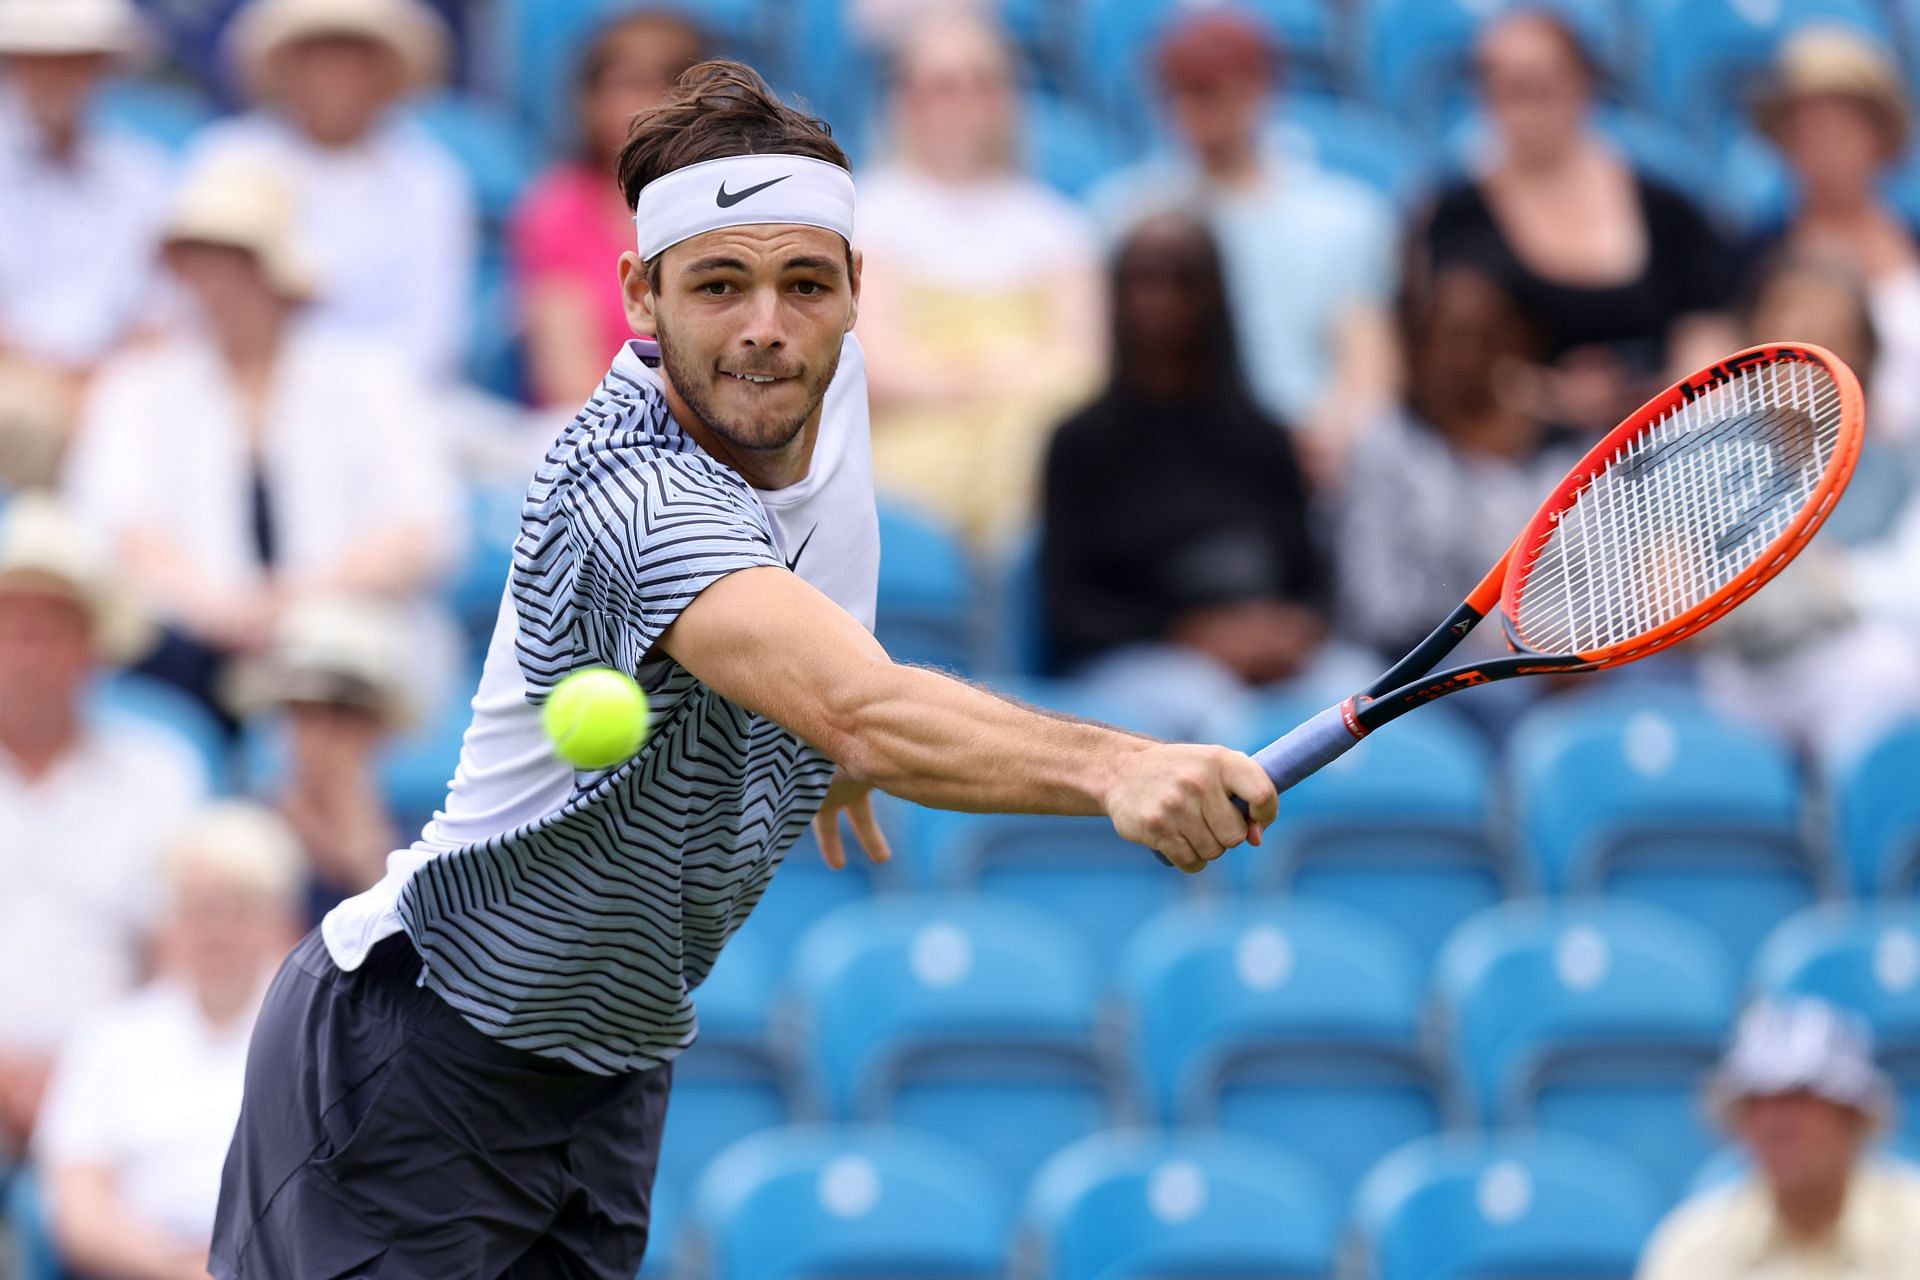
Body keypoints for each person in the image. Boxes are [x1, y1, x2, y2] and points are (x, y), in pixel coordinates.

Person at [210, 60, 1279, 1279]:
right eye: (720, 284)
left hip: (608, 1072)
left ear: (854, 292)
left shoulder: (826, 381)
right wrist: (1118, 763)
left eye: (804, 284)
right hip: (419, 1048)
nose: (767, 326)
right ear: (642, 296)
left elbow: (835, 650)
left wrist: (819, 749)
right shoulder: (625, 488)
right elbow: (863, 703)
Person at [63, 156, 463, 729]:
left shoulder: (373, 379)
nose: (219, 281)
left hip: (347, 649)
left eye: (237, 260)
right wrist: (216, 608)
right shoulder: (137, 386)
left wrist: (296, 601)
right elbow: (113, 522)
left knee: (333, 682)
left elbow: (424, 528)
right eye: (202, 259)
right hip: (185, 651)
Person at [1040, 210, 1327, 733]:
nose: (1160, 300)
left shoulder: (1265, 436)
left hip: (1272, 658)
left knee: (1358, 696)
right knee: (1221, 715)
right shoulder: (1080, 443)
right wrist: (1190, 634)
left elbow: (1312, 580)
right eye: (1142, 280)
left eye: (1180, 280)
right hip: (1139, 662)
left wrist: (1288, 631)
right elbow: (1070, 610)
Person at [1088, 9, 1396, 469]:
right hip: (1167, 451)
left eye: (1214, 91)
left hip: (1305, 449)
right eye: (1183, 91)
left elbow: (1367, 371)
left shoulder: (1343, 218)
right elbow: (1103, 362)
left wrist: (1330, 436)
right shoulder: (1125, 216)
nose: (1198, 112)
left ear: (1260, 89)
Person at [0, 494, 207, 1159]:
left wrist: (93, 1077)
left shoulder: (160, 774)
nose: (26, 654)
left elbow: (182, 953)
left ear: (91, 648)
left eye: (48, 632)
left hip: (123, 1093)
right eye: (11, 630)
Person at [1420, 8, 1737, 432]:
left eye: (1541, 87)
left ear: (1584, 85)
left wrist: (1670, 409)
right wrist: (1556, 398)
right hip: (1512, 453)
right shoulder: (1457, 216)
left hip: (1663, 444)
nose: (1527, 108)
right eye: (1509, 88)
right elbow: (1456, 358)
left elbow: (1707, 333)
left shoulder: (1667, 209)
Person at [854, 8, 1104, 543]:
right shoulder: (868, 213)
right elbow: (872, 366)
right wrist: (997, 373)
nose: (961, 104)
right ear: (906, 98)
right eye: (942, 86)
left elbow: (1082, 366)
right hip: (906, 462)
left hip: (1030, 455)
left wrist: (965, 378)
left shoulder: (1056, 225)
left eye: (980, 85)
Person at [35, 803, 306, 1280]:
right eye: (201, 910)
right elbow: (79, 1210)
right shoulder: (109, 1039)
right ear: (170, 921)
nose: (218, 931)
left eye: (240, 911)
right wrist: (175, 1269)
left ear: (278, 923)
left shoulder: (315, 1039)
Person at [190, 0, 475, 381]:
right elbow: (193, 307)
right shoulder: (229, 157)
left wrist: (340, 398)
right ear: (285, 68)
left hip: (392, 405)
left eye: (350, 56)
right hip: (236, 393)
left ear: (383, 72)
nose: (332, 73)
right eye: (314, 55)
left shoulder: (430, 180)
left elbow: (432, 339)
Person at [1336, 265, 1581, 660]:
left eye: (1486, 340)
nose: (1465, 359)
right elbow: (1377, 608)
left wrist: (1561, 653)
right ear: (1414, 347)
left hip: (1567, 666)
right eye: (1447, 339)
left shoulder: (1571, 451)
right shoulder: (1382, 447)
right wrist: (1504, 655)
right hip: (1431, 672)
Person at [0, 0, 171, 486]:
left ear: (99, 67)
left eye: (73, 58)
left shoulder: (141, 176)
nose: (57, 75)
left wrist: (95, 382)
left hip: (121, 387)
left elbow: (161, 312)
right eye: (41, 57)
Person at [1638, 997, 1920, 1280]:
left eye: (1801, 1098)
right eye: (1757, 1102)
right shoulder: (1692, 1251)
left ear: (1852, 1115)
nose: (1777, 1124)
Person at [510, 9, 706, 410]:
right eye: (629, 83)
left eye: (672, 81)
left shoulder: (734, 200)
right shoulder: (556, 210)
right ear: (589, 100)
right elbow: (568, 378)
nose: (654, 101)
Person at [1747, 24, 1920, 448]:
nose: (1823, 140)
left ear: (1880, 135)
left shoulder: (1913, 236)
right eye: (1806, 126)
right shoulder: (1753, 256)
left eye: (1841, 123)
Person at [227, 595, 416, 926]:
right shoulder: (241, 833)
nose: (322, 733)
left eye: (344, 713)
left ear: (378, 728)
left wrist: (364, 853)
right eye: (304, 712)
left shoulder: (425, 839)